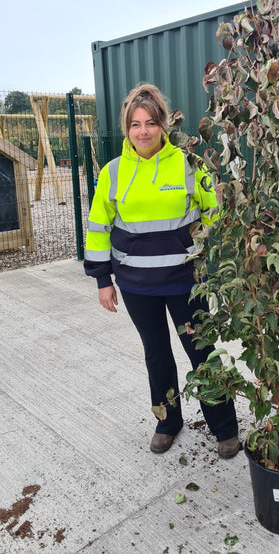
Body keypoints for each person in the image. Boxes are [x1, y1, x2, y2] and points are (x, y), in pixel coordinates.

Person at [84, 83, 240, 457]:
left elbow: (215, 215)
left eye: (151, 122)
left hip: (187, 283)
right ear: (127, 128)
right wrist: (103, 281)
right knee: (156, 354)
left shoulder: (189, 164)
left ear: (163, 125)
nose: (143, 131)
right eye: (135, 124)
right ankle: (167, 421)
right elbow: (98, 228)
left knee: (201, 353)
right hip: (137, 286)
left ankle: (224, 427)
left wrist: (201, 245)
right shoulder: (113, 173)